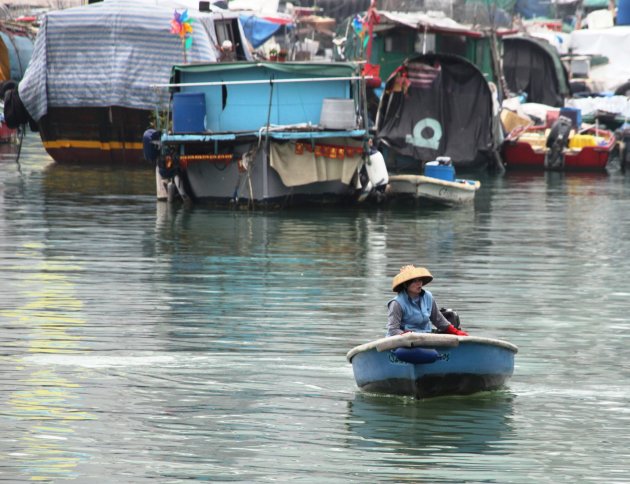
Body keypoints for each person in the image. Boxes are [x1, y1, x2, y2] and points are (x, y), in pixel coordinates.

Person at [386, 265, 469, 337]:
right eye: (415, 281)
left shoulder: (428, 297)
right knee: (429, 353)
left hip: (425, 338)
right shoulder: (396, 303)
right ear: (405, 284)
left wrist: (456, 332)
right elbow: (393, 330)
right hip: (404, 342)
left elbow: (439, 320)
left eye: (420, 280)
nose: (419, 284)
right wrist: (409, 335)